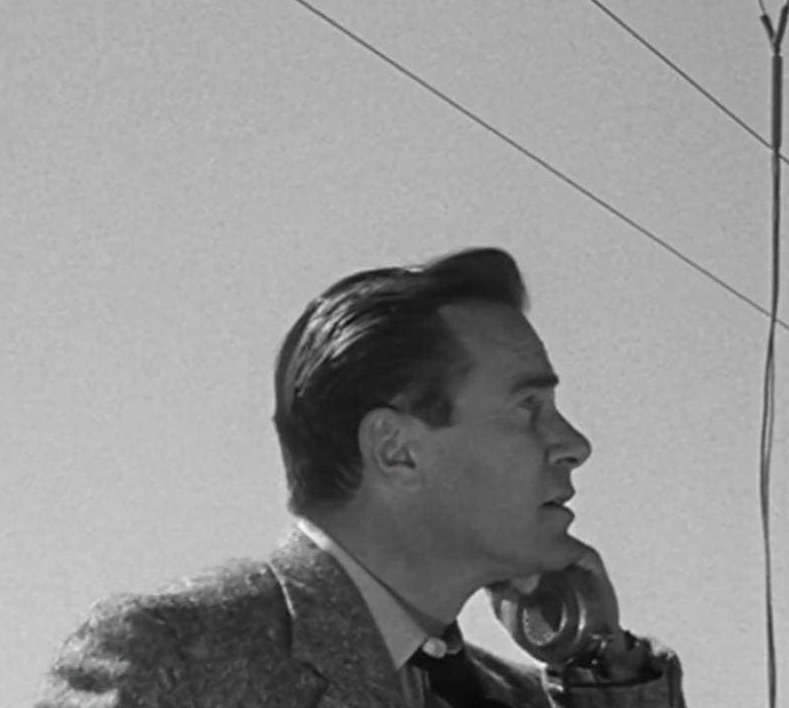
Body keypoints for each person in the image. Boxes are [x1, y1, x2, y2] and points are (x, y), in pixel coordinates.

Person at [38, 247, 684, 708]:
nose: (574, 444)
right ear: (395, 449)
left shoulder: (524, 699)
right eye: (527, 408)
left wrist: (600, 659)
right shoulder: (181, 661)